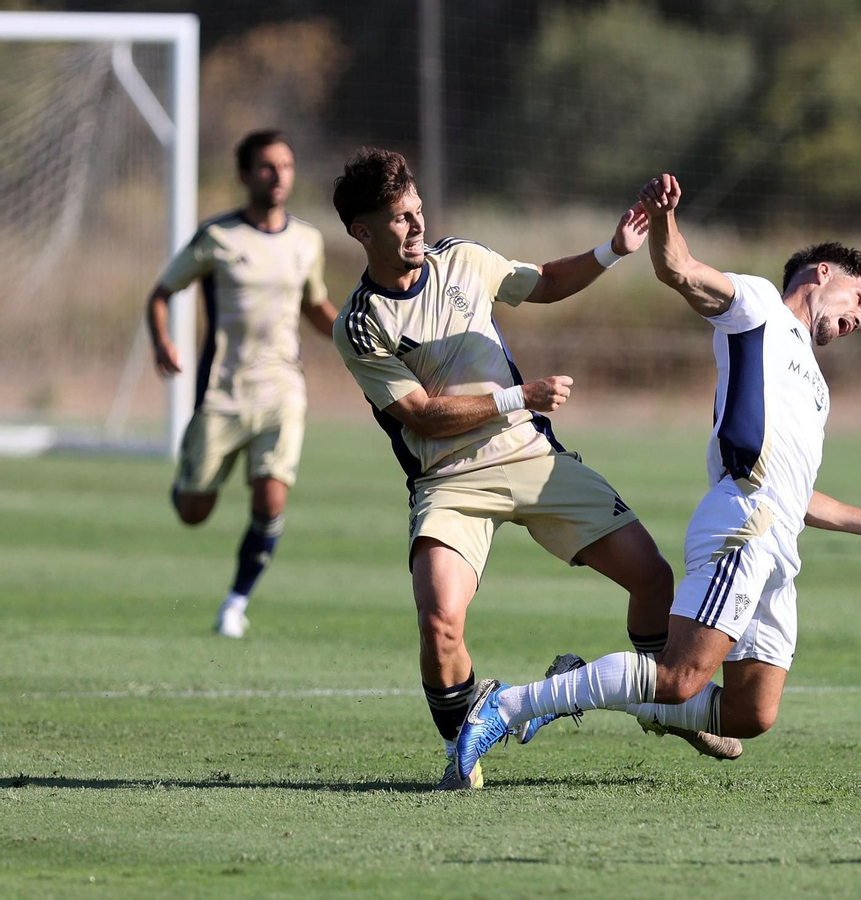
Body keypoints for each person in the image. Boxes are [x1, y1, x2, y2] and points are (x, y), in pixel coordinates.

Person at [454, 174, 861, 781]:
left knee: (750, 714)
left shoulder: (816, 388)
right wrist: (663, 217)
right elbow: (678, 269)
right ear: (822, 273)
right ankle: (504, 706)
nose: (860, 319)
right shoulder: (759, 305)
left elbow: (798, 497)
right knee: (681, 677)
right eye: (860, 300)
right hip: (744, 521)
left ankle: (583, 685)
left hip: (779, 538)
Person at [328, 149, 696, 790]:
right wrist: (515, 397)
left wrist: (611, 251)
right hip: (449, 481)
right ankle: (464, 741)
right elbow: (420, 415)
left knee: (655, 579)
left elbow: (543, 282)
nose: (416, 227)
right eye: (399, 219)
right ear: (363, 232)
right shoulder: (360, 325)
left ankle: (660, 701)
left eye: (417, 212)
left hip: (529, 454)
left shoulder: (463, 259)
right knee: (439, 622)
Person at [146, 130, 337, 638]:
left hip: (282, 390)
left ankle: (235, 603)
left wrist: (355, 338)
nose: (279, 177)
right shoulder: (218, 236)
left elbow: (315, 306)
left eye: (287, 166)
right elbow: (161, 293)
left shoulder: (307, 241)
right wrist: (163, 341)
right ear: (245, 174)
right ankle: (189, 476)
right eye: (268, 167)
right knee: (193, 512)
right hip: (223, 392)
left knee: (271, 499)